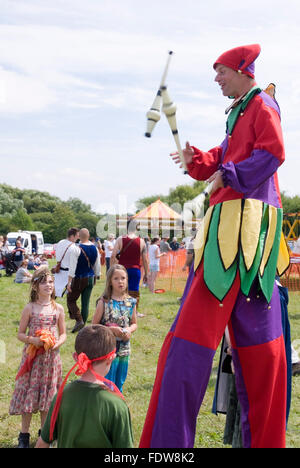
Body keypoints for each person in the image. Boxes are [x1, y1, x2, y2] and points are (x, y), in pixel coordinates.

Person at [140, 44, 290, 449]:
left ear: (244, 69)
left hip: (246, 241)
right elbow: (224, 156)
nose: (216, 78)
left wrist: (227, 173)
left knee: (260, 357)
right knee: (198, 351)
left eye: (221, 70)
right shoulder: (239, 111)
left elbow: (273, 152)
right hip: (230, 237)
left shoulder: (263, 105)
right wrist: (199, 160)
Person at [35, 325, 134, 448]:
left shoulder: (62, 395)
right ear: (111, 358)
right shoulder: (117, 405)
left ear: (76, 358)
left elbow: (42, 444)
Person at [9, 266, 66, 448]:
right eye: (44, 282)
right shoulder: (30, 308)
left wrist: (57, 342)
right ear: (35, 286)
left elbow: (64, 334)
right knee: (29, 395)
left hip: (51, 360)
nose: (48, 285)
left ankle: (45, 436)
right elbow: (20, 333)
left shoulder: (58, 308)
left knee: (47, 400)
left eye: (50, 282)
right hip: (32, 360)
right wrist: (32, 339)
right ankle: (23, 437)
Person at [92, 265, 137, 393]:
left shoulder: (131, 302)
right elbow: (94, 325)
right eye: (116, 278)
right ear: (110, 282)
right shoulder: (104, 302)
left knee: (119, 381)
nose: (120, 281)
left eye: (123, 278)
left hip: (124, 348)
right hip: (107, 349)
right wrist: (111, 330)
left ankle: (117, 403)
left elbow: (134, 323)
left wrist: (129, 330)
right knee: (107, 381)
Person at [67, 228, 101, 333]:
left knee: (71, 300)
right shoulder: (95, 248)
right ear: (89, 235)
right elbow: (97, 264)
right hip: (91, 278)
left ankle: (79, 320)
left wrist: (69, 281)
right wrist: (97, 275)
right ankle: (83, 326)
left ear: (79, 236)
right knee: (85, 303)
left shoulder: (76, 248)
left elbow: (72, 268)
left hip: (79, 278)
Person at [110, 219, 148, 312]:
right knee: (133, 293)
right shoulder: (142, 241)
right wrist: (147, 273)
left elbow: (113, 256)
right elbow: (145, 260)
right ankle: (132, 312)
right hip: (135, 270)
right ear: (137, 228)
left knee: (120, 290)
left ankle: (119, 311)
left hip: (122, 270)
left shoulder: (120, 239)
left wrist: (111, 270)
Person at [54, 227, 80, 297]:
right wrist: (69, 281)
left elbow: (56, 255)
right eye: (77, 236)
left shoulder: (60, 242)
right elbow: (73, 266)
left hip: (58, 270)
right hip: (67, 274)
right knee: (71, 298)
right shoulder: (74, 247)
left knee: (53, 294)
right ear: (72, 236)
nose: (78, 238)